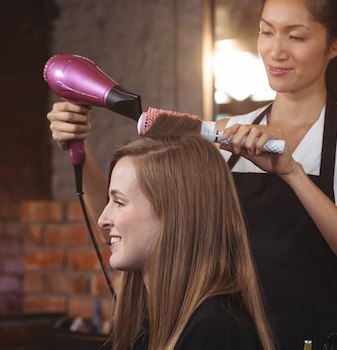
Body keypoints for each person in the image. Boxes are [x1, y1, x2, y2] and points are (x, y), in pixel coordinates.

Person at [46, 0, 337, 350]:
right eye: (266, 32)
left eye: (296, 37)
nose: (275, 51)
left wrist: (293, 174)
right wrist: (81, 149)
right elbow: (123, 222)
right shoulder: (227, 132)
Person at [98, 130, 275, 350]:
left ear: (173, 214)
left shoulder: (213, 331)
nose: (102, 220)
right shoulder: (158, 327)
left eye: (119, 202)